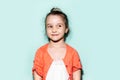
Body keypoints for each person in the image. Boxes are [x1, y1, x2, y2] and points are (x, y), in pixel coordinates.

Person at [32, 7, 82, 80]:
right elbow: (37, 76)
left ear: (66, 29)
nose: (54, 30)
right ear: (46, 29)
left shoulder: (73, 53)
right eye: (50, 26)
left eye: (59, 26)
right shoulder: (40, 52)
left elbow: (77, 75)